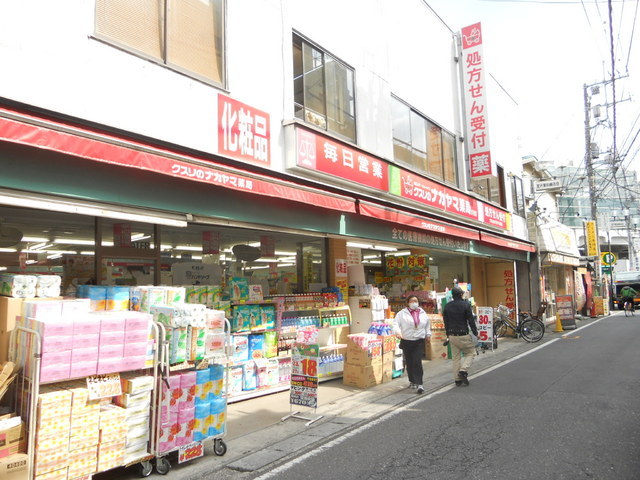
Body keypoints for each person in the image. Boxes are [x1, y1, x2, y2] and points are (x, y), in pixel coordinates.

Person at [394, 295, 431, 394]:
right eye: (412, 301)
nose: (414, 302)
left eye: (416, 300)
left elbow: (427, 325)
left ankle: (420, 384)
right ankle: (412, 381)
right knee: (409, 362)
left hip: (419, 340)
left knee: (417, 361)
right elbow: (395, 324)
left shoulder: (423, 313)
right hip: (407, 340)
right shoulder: (401, 314)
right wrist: (397, 332)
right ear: (408, 303)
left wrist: (428, 334)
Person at [443, 286, 477, 386]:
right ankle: (463, 371)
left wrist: (448, 334)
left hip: (452, 335)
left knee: (456, 357)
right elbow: (470, 320)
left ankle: (457, 379)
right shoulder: (466, 305)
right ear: (461, 294)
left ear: (452, 295)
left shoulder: (447, 306)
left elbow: (446, 322)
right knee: (471, 353)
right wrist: (475, 332)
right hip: (463, 334)